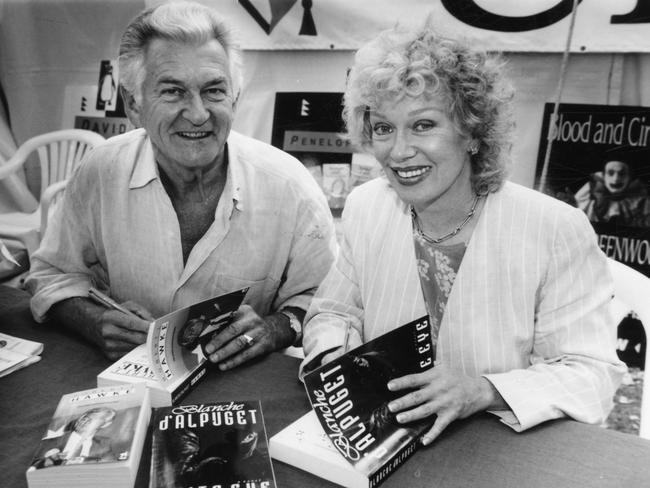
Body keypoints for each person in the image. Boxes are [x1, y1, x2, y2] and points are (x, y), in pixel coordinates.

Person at [300, 23, 625, 445]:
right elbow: (333, 312)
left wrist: (484, 390)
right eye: (383, 128)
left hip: (501, 451)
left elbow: (591, 374)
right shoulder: (367, 206)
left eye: (422, 125)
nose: (398, 151)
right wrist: (338, 353)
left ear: (471, 132)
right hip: (393, 443)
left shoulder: (554, 228)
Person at [26, 1, 336, 370]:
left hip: (241, 388)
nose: (198, 114)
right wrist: (93, 321)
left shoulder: (289, 185)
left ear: (235, 99)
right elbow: (51, 276)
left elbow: (326, 301)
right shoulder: (100, 170)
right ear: (133, 104)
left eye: (214, 91)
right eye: (173, 91)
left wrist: (275, 328)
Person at [574, 158, 650, 226]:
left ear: (629, 177)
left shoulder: (641, 202)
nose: (616, 179)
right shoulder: (588, 198)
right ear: (604, 176)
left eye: (622, 174)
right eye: (610, 173)